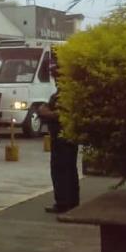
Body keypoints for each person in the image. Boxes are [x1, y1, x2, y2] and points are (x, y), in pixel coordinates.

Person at [38, 62, 80, 213]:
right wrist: (44, 109)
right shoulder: (58, 94)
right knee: (66, 169)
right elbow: (47, 108)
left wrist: (46, 112)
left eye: (56, 76)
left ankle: (64, 203)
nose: (55, 79)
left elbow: (62, 114)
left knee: (62, 170)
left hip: (64, 137)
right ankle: (69, 201)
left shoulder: (67, 93)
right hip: (59, 137)